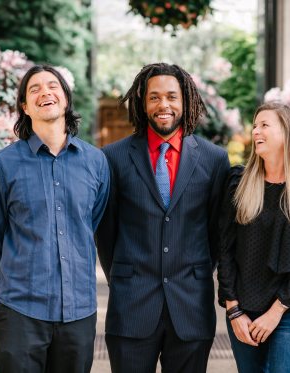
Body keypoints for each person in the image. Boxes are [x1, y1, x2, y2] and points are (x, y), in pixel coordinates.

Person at [96, 62, 230, 373]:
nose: (163, 105)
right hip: (130, 306)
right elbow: (106, 231)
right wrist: (124, 275)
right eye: (154, 97)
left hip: (191, 307)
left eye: (171, 96)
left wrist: (194, 271)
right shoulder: (113, 157)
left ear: (186, 100)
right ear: (142, 104)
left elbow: (216, 232)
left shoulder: (214, 159)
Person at [0, 64, 110, 373]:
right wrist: (1, 294)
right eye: (34, 89)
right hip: (19, 311)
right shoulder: (3, 165)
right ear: (24, 107)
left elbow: (92, 222)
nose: (45, 92)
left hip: (78, 312)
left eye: (53, 86)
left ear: (65, 98)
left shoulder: (95, 162)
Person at [217, 102, 290, 373]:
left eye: (264, 125)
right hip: (244, 309)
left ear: (288, 133)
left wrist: (276, 312)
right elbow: (225, 250)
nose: (256, 131)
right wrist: (233, 308)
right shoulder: (239, 182)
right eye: (255, 125)